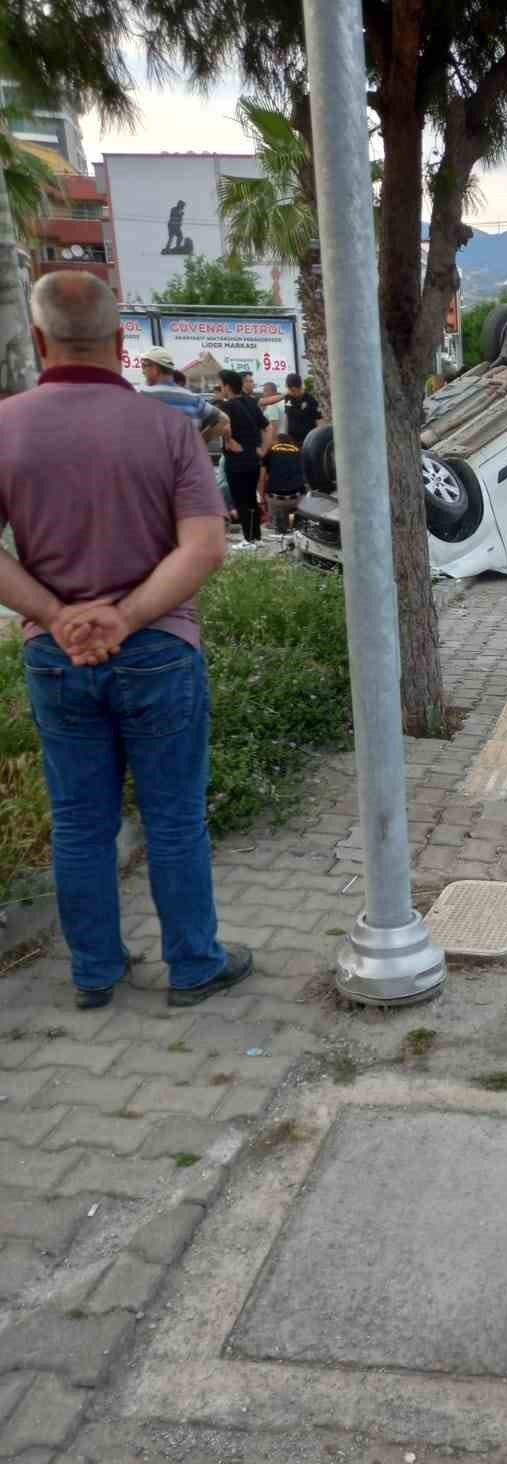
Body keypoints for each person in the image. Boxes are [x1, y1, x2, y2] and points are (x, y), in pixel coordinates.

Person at [0, 273, 253, 1009]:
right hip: (159, 651)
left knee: (80, 822)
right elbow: (204, 548)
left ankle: (95, 974)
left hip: (58, 658)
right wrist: (128, 616)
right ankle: (193, 966)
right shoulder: (168, 428)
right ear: (120, 343)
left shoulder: (6, 426)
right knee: (175, 817)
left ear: (41, 341)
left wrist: (57, 615)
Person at [139, 345, 233, 452]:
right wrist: (200, 442)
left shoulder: (142, 397)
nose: (142, 371)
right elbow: (223, 419)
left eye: (143, 366)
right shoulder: (193, 399)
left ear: (155, 369)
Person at [218, 368, 273, 542]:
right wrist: (263, 449)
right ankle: (256, 537)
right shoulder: (251, 403)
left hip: (236, 462)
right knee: (251, 498)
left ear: (227, 386)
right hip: (253, 459)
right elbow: (268, 427)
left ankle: (249, 539)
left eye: (221, 385)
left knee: (241, 500)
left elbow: (225, 427)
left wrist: (228, 441)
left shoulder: (226, 406)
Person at [261, 430, 306, 535]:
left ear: (276, 441)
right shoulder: (299, 451)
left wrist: (263, 498)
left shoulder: (270, 451)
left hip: (275, 499)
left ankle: (277, 524)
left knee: (273, 523)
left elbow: (262, 478)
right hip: (296, 499)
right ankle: (297, 524)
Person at [284, 373, 320, 448]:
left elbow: (319, 420)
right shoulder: (288, 397)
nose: (291, 392)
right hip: (292, 440)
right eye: (289, 390)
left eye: (293, 390)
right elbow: (287, 417)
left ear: (300, 387)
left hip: (308, 441)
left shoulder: (310, 400)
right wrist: (286, 435)